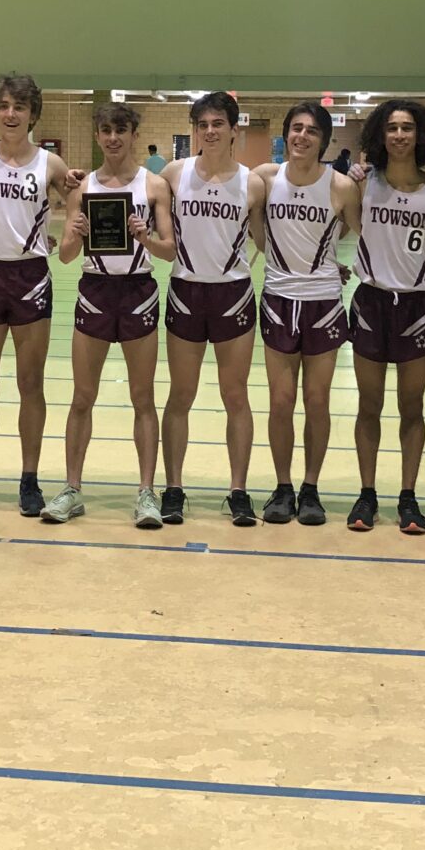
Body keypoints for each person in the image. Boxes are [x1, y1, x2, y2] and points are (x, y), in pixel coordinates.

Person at [0, 73, 78, 517]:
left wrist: (66, 239)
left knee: (31, 384)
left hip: (31, 277)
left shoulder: (50, 165)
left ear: (32, 114)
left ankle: (30, 479)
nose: (11, 114)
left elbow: (84, 197)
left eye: (20, 107)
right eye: (4, 106)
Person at [57, 103, 176, 525]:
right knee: (82, 398)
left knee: (143, 399)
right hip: (95, 291)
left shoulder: (154, 185)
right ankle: (72, 488)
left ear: (132, 134)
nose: (112, 138)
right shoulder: (82, 187)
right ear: (97, 136)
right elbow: (67, 257)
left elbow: (170, 250)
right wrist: (73, 234)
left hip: (138, 291)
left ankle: (146, 493)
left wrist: (144, 237)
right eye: (105, 130)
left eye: (120, 130)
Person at [160, 91, 268, 526]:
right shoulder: (173, 174)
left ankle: (238, 491)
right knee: (180, 396)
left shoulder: (253, 183)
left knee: (235, 395)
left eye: (218, 123)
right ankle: (173, 488)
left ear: (233, 130)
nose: (209, 131)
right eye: (202, 124)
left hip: (233, 294)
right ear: (195, 130)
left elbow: (266, 239)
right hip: (186, 292)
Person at [253, 102, 360, 526]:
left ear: (324, 140)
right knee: (281, 402)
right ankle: (282, 487)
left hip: (323, 303)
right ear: (285, 135)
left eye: (311, 131)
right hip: (279, 299)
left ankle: (311, 488)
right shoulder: (265, 178)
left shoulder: (340, 187)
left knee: (317, 401)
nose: (301, 136)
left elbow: (357, 230)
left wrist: (332, 262)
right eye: (295, 129)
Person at [347, 100, 425, 533]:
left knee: (412, 406)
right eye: (392, 128)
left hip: (417, 306)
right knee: (369, 405)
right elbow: (350, 227)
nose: (400, 135)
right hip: (371, 302)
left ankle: (408, 497)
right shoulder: (363, 184)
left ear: (420, 134)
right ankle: (367, 494)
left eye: (408, 128)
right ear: (380, 135)